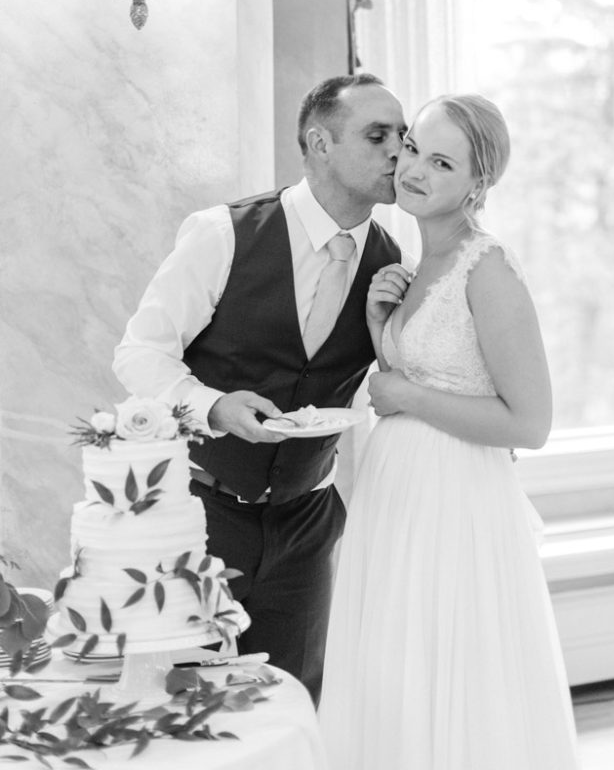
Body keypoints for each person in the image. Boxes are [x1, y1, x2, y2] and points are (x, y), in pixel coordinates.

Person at [112, 73, 408, 705]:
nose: (396, 152)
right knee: (183, 703)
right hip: (200, 512)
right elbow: (139, 352)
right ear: (320, 142)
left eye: (402, 137)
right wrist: (213, 405)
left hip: (307, 523)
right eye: (378, 135)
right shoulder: (222, 233)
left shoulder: (390, 258)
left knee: (290, 702)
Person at [318, 95, 580, 769]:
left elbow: (531, 421)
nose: (414, 170)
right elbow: (420, 384)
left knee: (450, 667)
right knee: (396, 670)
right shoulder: (409, 266)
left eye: (441, 162)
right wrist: (384, 332)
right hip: (393, 496)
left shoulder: (486, 267)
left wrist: (402, 389)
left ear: (477, 184)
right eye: (411, 150)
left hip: (455, 502)